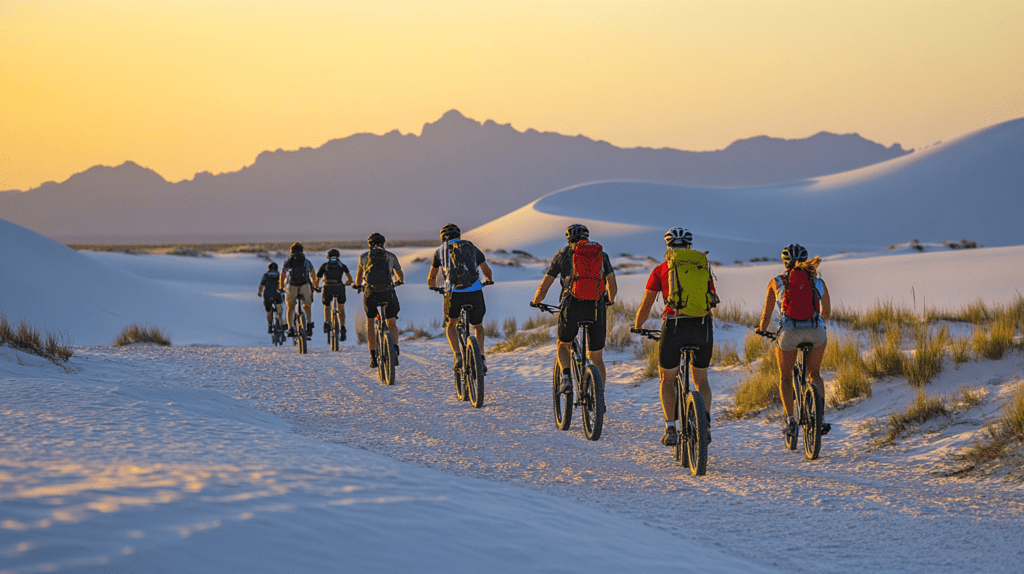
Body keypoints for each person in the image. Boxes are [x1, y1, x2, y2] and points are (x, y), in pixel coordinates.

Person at [632, 227, 717, 447]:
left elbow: (646, 304)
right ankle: (705, 423)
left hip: (674, 327)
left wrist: (638, 326)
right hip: (702, 327)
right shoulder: (702, 266)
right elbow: (711, 300)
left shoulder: (661, 269)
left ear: (668, 246)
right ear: (689, 246)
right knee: (701, 379)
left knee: (667, 379)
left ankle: (670, 428)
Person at [757, 243, 832, 438]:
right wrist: (815, 323)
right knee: (815, 374)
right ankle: (820, 418)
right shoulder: (818, 282)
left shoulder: (776, 281)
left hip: (789, 333)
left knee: (785, 377)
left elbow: (766, 315)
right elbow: (826, 313)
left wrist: (762, 329)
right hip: (816, 331)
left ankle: (790, 420)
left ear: (784, 263)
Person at [531, 223, 617, 393]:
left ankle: (566, 377)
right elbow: (612, 285)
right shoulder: (601, 254)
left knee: (563, 345)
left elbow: (545, 285)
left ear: (569, 238)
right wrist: (608, 301)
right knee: (596, 357)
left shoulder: (562, 254)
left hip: (572, 305)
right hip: (596, 307)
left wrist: (536, 301)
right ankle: (599, 398)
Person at [426, 223, 494, 373]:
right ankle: (481, 357)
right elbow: (486, 269)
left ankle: (457, 355)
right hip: (475, 293)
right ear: (459, 236)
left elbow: (432, 277)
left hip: (453, 294)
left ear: (443, 238)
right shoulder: (470, 246)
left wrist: (433, 287)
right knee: (478, 326)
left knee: (451, 324)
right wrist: (488, 280)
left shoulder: (439, 251)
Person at [354, 233, 404, 368]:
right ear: (383, 243)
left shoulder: (364, 257)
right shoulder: (391, 256)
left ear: (369, 245)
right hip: (388, 292)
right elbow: (400, 275)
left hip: (370, 293)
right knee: (391, 322)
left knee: (370, 321)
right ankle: (394, 351)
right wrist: (398, 282)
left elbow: (359, 278)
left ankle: (373, 356)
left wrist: (357, 285)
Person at [279, 242, 319, 337]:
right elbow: (313, 273)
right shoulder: (306, 261)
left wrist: (281, 286)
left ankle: (290, 328)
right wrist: (315, 285)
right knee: (307, 305)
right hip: (304, 286)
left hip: (292, 286)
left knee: (290, 307)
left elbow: (283, 274)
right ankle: (309, 324)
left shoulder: (288, 261)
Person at [317, 248, 354, 340]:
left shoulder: (324, 265)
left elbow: (317, 279)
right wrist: (347, 283)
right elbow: (349, 279)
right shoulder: (342, 265)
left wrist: (316, 287)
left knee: (326, 306)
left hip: (327, 287)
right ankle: (342, 327)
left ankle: (326, 323)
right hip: (339, 287)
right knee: (341, 308)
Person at [257, 261, 284, 333]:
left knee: (269, 312)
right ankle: (281, 324)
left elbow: (261, 286)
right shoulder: (279, 275)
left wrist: (259, 293)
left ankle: (269, 325)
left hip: (267, 296)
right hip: (277, 295)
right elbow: (283, 284)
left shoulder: (265, 275)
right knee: (279, 310)